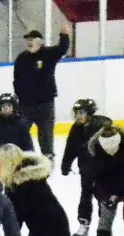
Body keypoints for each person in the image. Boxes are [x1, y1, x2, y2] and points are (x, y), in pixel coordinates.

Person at [13, 25, 73, 158]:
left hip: (45, 104)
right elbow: (16, 79)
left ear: (39, 41)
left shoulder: (48, 54)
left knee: (46, 134)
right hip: (25, 104)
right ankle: (23, 157)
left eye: (32, 39)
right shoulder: (21, 58)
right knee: (20, 132)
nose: (29, 42)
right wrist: (20, 96)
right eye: (28, 39)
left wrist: (64, 35)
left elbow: (62, 49)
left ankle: (48, 158)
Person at [60, 98, 113, 236]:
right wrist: (65, 164)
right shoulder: (76, 128)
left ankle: (104, 226)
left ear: (89, 114)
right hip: (85, 169)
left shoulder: (102, 128)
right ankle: (84, 223)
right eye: (76, 113)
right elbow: (71, 148)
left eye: (81, 113)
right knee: (85, 196)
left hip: (102, 171)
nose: (78, 116)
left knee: (103, 197)